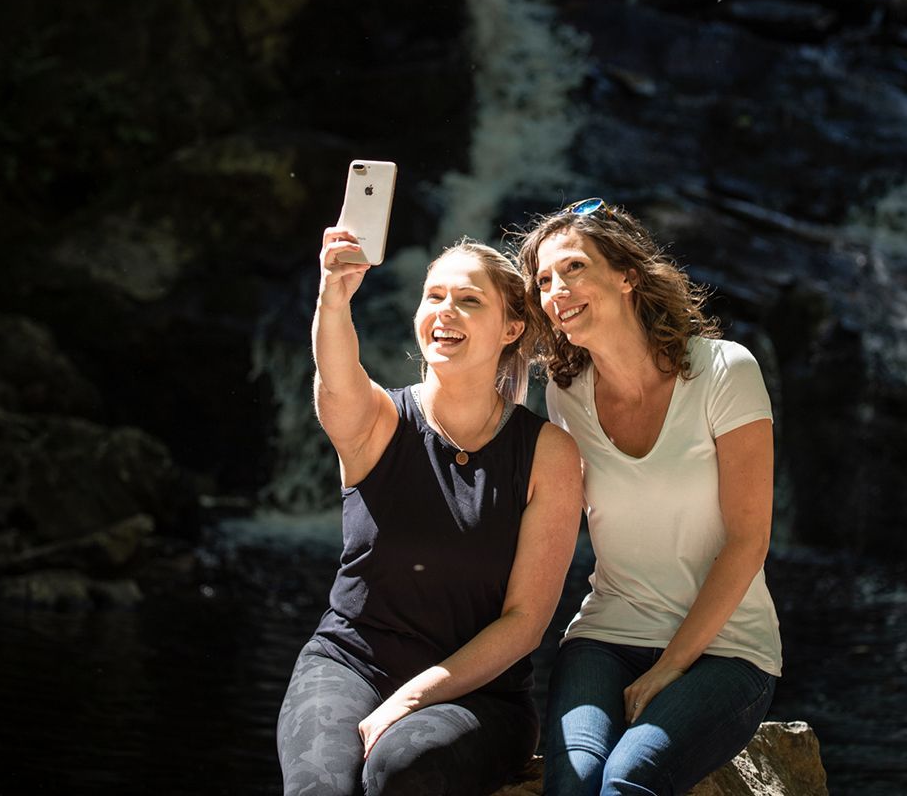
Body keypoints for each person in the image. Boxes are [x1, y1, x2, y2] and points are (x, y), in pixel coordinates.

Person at [277, 228, 582, 796]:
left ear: (512, 328)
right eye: (434, 296)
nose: (446, 311)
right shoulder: (377, 422)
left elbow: (525, 622)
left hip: (479, 693)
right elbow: (337, 381)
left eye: (469, 300)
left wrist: (411, 698)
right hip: (349, 663)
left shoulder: (548, 454)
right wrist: (334, 292)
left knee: (401, 771)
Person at [515, 198, 781, 796]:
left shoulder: (722, 371)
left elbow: (749, 539)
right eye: (544, 280)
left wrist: (672, 664)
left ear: (628, 274)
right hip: (605, 636)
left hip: (728, 648)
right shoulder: (566, 396)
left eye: (575, 268)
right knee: (576, 779)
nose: (556, 289)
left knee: (629, 779)